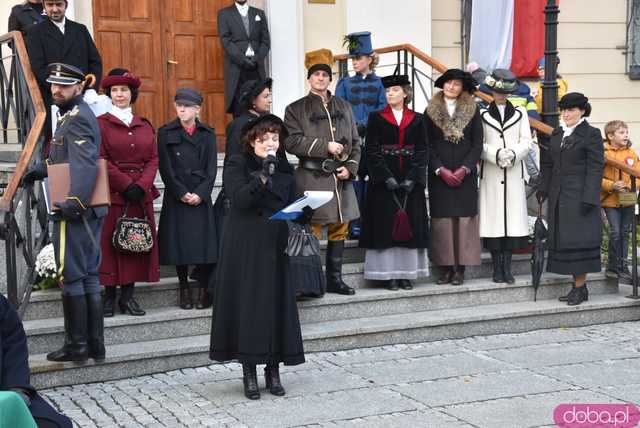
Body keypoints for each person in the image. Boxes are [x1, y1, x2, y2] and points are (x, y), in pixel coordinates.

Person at [210, 114, 304, 400]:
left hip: (274, 243)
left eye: (275, 139)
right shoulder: (238, 163)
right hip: (245, 243)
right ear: (252, 141)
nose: (271, 143)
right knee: (249, 305)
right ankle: (249, 371)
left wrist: (306, 207)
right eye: (264, 139)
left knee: (275, 303)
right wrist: (263, 174)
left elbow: (292, 202)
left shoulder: (285, 167)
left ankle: (273, 370)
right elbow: (239, 199)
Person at [23, 63, 106, 362]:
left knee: (72, 275)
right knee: (88, 276)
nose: (55, 90)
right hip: (83, 209)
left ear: (79, 87)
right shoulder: (72, 115)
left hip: (74, 210)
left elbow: (84, 165)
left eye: (63, 86)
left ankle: (77, 346)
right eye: (53, 85)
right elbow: (67, 159)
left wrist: (74, 202)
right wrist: (42, 169)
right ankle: (94, 345)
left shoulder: (78, 118)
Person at [284, 49, 361, 296]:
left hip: (341, 180)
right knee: (312, 229)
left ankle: (335, 280)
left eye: (325, 75)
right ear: (309, 79)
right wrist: (324, 146)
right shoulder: (295, 109)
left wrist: (350, 168)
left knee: (341, 227)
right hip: (312, 177)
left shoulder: (344, 106)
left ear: (330, 79)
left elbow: (356, 143)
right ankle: (311, 281)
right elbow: (292, 142)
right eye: (316, 75)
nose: (320, 79)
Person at [98, 68, 160, 317]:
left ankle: (128, 297)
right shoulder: (100, 124)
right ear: (109, 94)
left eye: (124, 90)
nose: (119, 94)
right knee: (111, 245)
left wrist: (142, 185)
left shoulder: (144, 125)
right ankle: (109, 297)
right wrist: (126, 185)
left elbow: (153, 159)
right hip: (114, 193)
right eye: (115, 90)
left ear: (131, 93)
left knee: (136, 243)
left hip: (139, 195)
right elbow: (100, 158)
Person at [359, 74, 429, 290]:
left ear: (405, 93)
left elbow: (423, 149)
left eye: (395, 90)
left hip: (409, 180)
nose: (390, 93)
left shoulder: (418, 119)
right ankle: (388, 274)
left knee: (410, 224)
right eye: (388, 91)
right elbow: (371, 149)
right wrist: (384, 176)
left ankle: (406, 274)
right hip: (384, 181)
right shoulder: (376, 117)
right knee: (385, 224)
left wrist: (413, 177)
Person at [537, 92, 604, 306]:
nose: (566, 114)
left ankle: (579, 287)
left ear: (582, 111)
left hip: (581, 199)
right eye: (564, 109)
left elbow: (596, 168)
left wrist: (590, 197)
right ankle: (578, 288)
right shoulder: (557, 134)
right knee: (565, 244)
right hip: (559, 197)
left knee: (579, 244)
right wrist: (543, 187)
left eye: (571, 110)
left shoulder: (591, 134)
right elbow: (548, 164)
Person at [158, 88, 218, 310]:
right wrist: (181, 192)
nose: (181, 109)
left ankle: (203, 289)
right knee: (179, 245)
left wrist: (201, 194)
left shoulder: (208, 133)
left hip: (200, 195)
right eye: (178, 105)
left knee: (204, 245)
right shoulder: (165, 133)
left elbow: (212, 169)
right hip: (177, 195)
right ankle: (184, 287)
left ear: (197, 109)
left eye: (187, 105)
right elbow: (166, 168)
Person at [424, 68, 483, 286]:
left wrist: (465, 168)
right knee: (442, 222)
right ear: (443, 85)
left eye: (456, 84)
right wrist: (439, 169)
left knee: (464, 221)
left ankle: (460, 268)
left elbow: (477, 143)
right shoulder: (429, 111)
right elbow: (426, 145)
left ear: (462, 88)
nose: (451, 87)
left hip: (464, 174)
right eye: (448, 83)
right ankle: (445, 268)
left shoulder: (473, 110)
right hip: (440, 175)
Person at [479, 69, 533, 283]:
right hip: (491, 172)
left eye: (504, 92)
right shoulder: (481, 114)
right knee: (493, 222)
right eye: (497, 91)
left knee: (511, 221)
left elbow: (527, 141)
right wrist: (496, 154)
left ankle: (507, 268)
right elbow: (478, 143)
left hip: (513, 171)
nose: (500, 95)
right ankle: (496, 269)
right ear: (491, 92)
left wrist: (512, 153)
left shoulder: (521, 113)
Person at [26, 0, 102, 142]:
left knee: (84, 140)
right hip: (54, 98)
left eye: (59, 4)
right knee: (58, 145)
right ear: (44, 6)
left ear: (66, 5)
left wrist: (91, 89)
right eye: (50, 5)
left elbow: (95, 62)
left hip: (82, 96)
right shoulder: (35, 32)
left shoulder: (80, 30)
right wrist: (60, 90)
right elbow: (38, 66)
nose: (54, 9)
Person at [335, 31, 386, 239]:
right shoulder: (344, 84)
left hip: (373, 139)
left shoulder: (381, 84)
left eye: (358, 58)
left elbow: (383, 109)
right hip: (350, 140)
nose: (354, 62)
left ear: (369, 59)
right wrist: (354, 128)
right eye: (353, 59)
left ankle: (369, 222)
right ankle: (354, 224)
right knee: (353, 181)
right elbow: (339, 110)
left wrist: (366, 124)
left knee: (370, 181)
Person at [1, 294, 73, 428]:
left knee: (56, 425)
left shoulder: (1, 305)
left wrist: (17, 388)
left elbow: (14, 342)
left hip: (8, 389)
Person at [601, 120, 638, 283]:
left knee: (625, 232)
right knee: (615, 232)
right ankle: (612, 266)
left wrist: (630, 187)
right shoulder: (603, 152)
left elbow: (637, 174)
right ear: (610, 136)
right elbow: (596, 176)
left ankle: (623, 266)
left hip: (628, 197)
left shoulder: (631, 153)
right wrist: (612, 185)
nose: (626, 135)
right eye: (621, 132)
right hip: (610, 199)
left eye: (626, 132)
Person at [217, 0, 270, 116]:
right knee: (239, 104)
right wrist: (242, 59)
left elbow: (266, 41)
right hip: (237, 67)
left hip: (256, 67)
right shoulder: (224, 14)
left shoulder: (259, 13)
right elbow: (225, 40)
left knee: (259, 101)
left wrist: (257, 58)